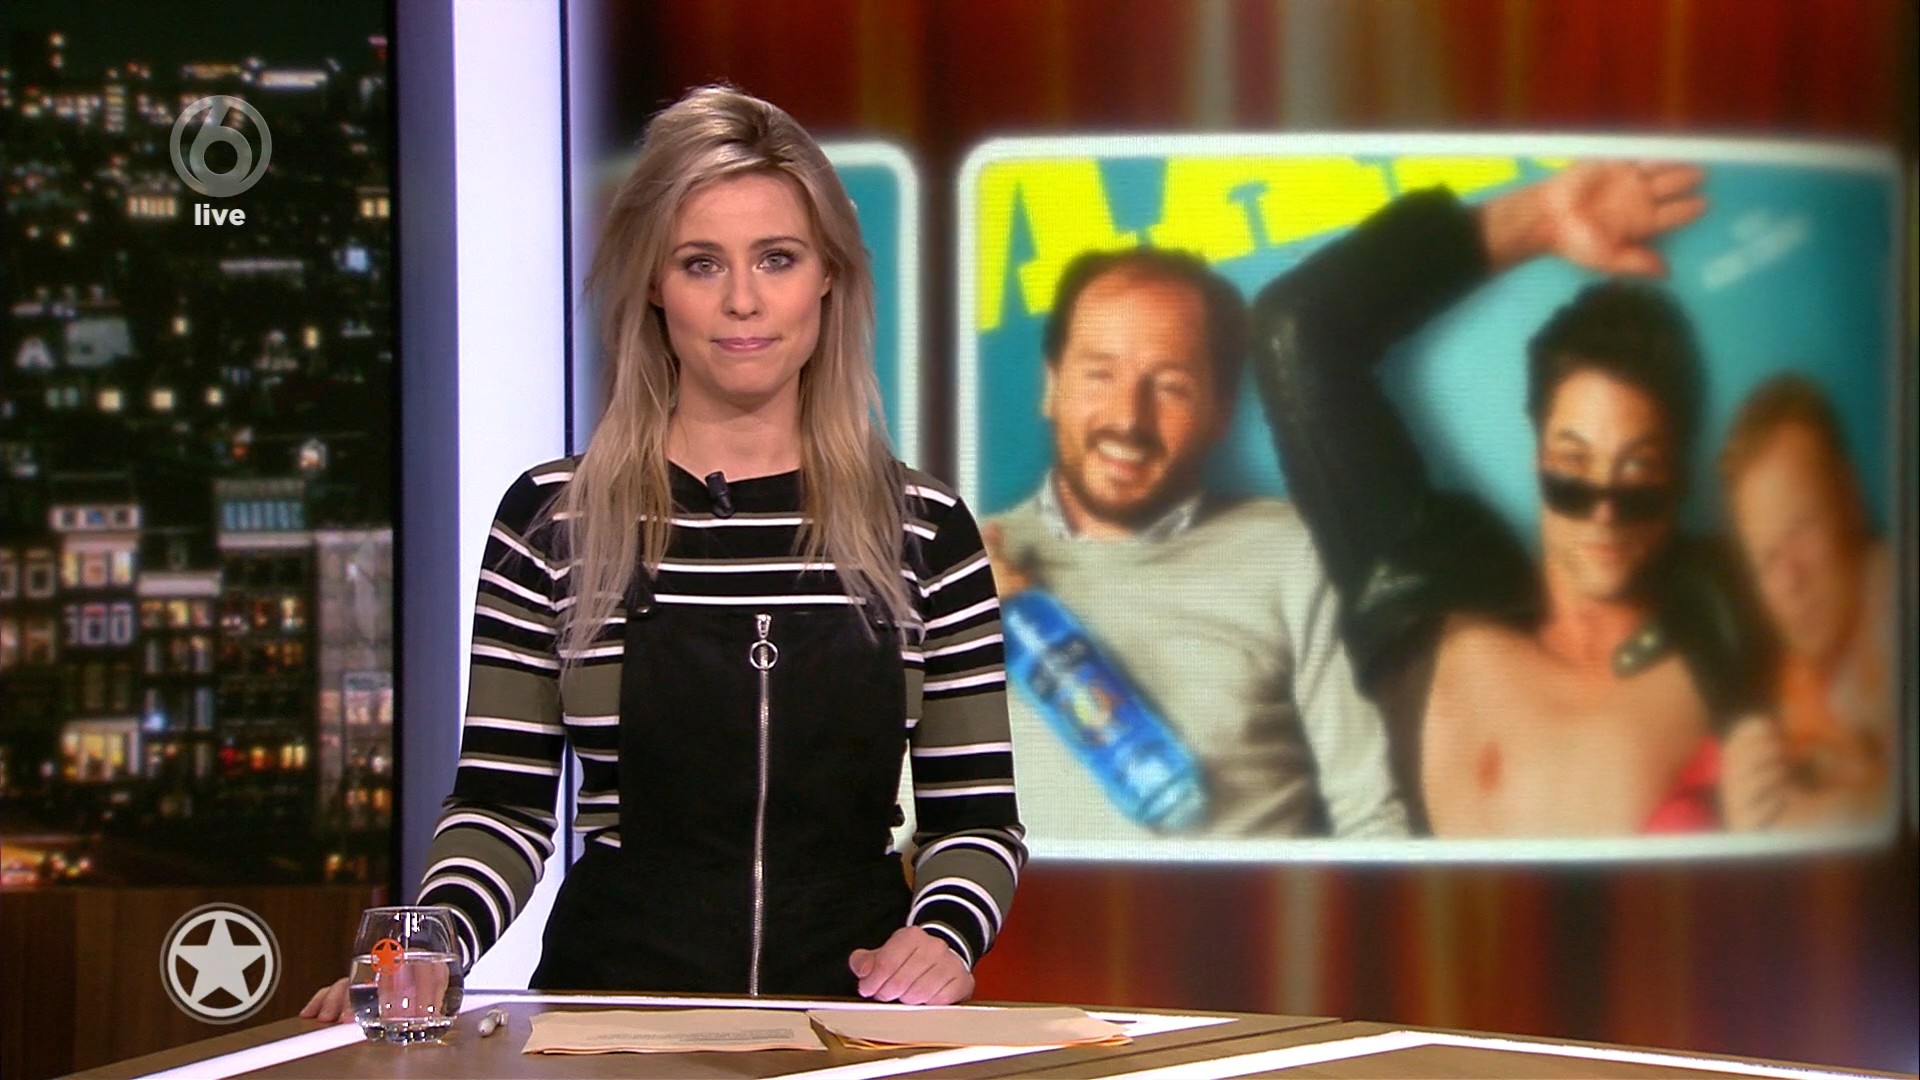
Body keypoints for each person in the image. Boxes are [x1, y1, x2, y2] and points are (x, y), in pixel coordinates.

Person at [303, 86, 1024, 1022]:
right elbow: (502, 808)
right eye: (700, 263)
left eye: (777, 258)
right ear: (653, 284)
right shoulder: (554, 519)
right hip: (608, 1021)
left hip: (849, 1023)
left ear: (828, 276)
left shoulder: (924, 531)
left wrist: (943, 935)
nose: (742, 299)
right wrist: (428, 947)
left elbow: (976, 818)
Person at [1250, 161, 1770, 836]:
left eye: (1637, 471)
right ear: (1540, 458)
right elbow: (1297, 330)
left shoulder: (1744, 632)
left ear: (1679, 480)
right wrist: (1539, 220)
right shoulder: (1421, 582)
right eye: (1574, 466)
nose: (1602, 510)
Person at [983, 248, 1406, 840]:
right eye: (1100, 375)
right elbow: (888, 827)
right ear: (1051, 387)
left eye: (1170, 386)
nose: (1128, 419)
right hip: (1031, 903)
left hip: (1244, 902)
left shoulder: (1292, 552)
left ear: (1221, 412)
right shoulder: (960, 565)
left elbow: (1373, 823)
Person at [1716, 375, 1894, 830]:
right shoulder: (1786, 690)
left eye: (1801, 529)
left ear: (1850, 500)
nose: (1789, 581)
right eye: (1766, 559)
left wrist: (1816, 818)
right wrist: (1748, 814)